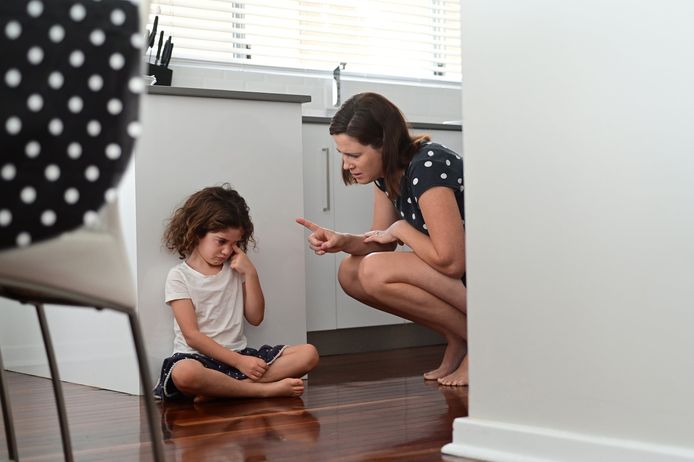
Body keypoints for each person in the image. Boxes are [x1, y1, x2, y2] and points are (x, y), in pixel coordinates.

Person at [297, 92, 467, 386]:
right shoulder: (386, 174)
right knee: (350, 272)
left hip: (480, 276)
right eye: (342, 154)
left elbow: (452, 262)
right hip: (450, 271)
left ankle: (483, 341)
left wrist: (401, 228)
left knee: (373, 269)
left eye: (354, 155)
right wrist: (342, 240)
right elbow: (382, 242)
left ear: (384, 145)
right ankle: (459, 337)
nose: (347, 164)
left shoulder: (428, 166)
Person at [154, 184, 319, 401]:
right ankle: (260, 391)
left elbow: (255, 317)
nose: (227, 251)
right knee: (185, 373)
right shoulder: (179, 276)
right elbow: (192, 336)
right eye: (221, 241)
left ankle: (220, 391)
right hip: (199, 359)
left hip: (240, 355)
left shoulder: (235, 270)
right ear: (196, 233)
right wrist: (238, 362)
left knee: (309, 354)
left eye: (234, 244)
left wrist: (250, 273)